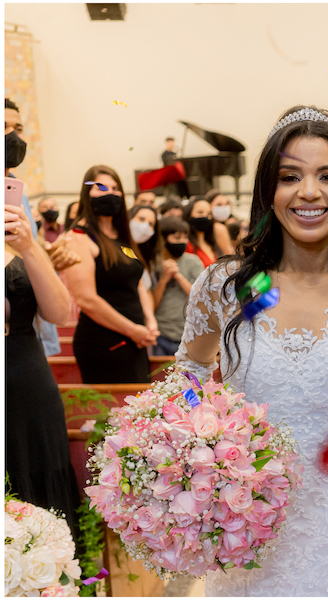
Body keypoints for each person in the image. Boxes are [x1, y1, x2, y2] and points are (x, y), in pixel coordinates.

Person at [174, 105, 328, 595]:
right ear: (269, 192)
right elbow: (189, 374)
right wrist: (202, 443)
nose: (309, 192)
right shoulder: (229, 285)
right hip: (248, 535)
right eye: (290, 177)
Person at [5, 201, 83, 543]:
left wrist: (29, 246)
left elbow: (59, 313)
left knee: (41, 484)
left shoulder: (19, 242)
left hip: (29, 380)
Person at [63, 166, 158, 383]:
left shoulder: (120, 238)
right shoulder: (79, 236)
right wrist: (133, 330)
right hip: (104, 341)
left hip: (136, 337)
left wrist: (150, 320)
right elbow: (86, 299)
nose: (111, 193)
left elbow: (137, 281)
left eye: (115, 188)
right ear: (87, 194)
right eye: (102, 187)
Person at [6, 97, 62, 357]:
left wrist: (45, 258)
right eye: (3, 127)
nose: (12, 136)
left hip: (26, 338)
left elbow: (29, 257)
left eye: (18, 129)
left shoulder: (21, 198)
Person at [151, 216, 203, 356]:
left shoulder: (193, 262)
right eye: (177, 238)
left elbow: (200, 297)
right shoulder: (154, 263)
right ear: (163, 239)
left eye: (185, 238)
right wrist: (164, 279)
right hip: (161, 334)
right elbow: (151, 304)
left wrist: (178, 276)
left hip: (189, 334)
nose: (182, 242)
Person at [184, 197, 235, 267]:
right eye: (200, 212)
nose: (205, 216)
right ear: (189, 214)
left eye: (209, 214)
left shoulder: (212, 244)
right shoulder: (187, 245)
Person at [128, 204, 159, 270]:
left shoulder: (146, 256)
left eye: (150, 224)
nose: (145, 226)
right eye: (141, 219)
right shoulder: (117, 250)